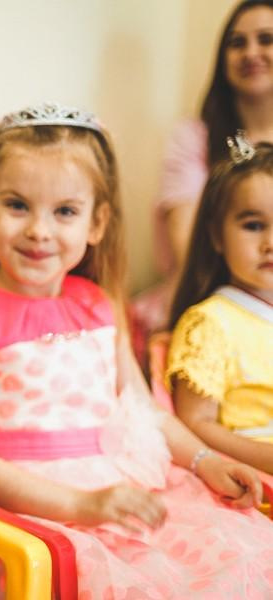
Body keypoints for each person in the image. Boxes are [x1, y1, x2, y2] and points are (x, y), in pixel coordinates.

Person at [0, 103, 273, 599]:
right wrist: (82, 505)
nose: (40, 230)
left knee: (239, 556)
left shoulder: (100, 304)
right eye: (17, 205)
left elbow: (144, 413)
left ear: (96, 223)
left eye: (65, 211)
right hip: (31, 509)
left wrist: (205, 460)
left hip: (122, 492)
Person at [131, 0, 273, 363]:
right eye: (237, 42)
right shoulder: (195, 137)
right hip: (206, 291)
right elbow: (187, 243)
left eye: (266, 39)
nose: (251, 52)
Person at [166, 134, 273, 475]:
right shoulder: (211, 323)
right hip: (250, 479)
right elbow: (195, 422)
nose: (270, 243)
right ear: (215, 235)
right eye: (254, 226)